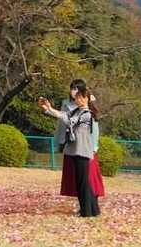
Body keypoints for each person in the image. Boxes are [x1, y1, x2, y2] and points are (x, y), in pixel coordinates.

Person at [39, 79, 103, 217]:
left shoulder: (87, 114)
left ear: (87, 98)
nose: (77, 99)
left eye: (80, 97)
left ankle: (87, 211)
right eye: (76, 96)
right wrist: (49, 109)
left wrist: (94, 148)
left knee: (83, 182)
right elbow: (64, 116)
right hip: (75, 150)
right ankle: (92, 210)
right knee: (82, 182)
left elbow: (70, 121)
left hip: (82, 150)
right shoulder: (77, 111)